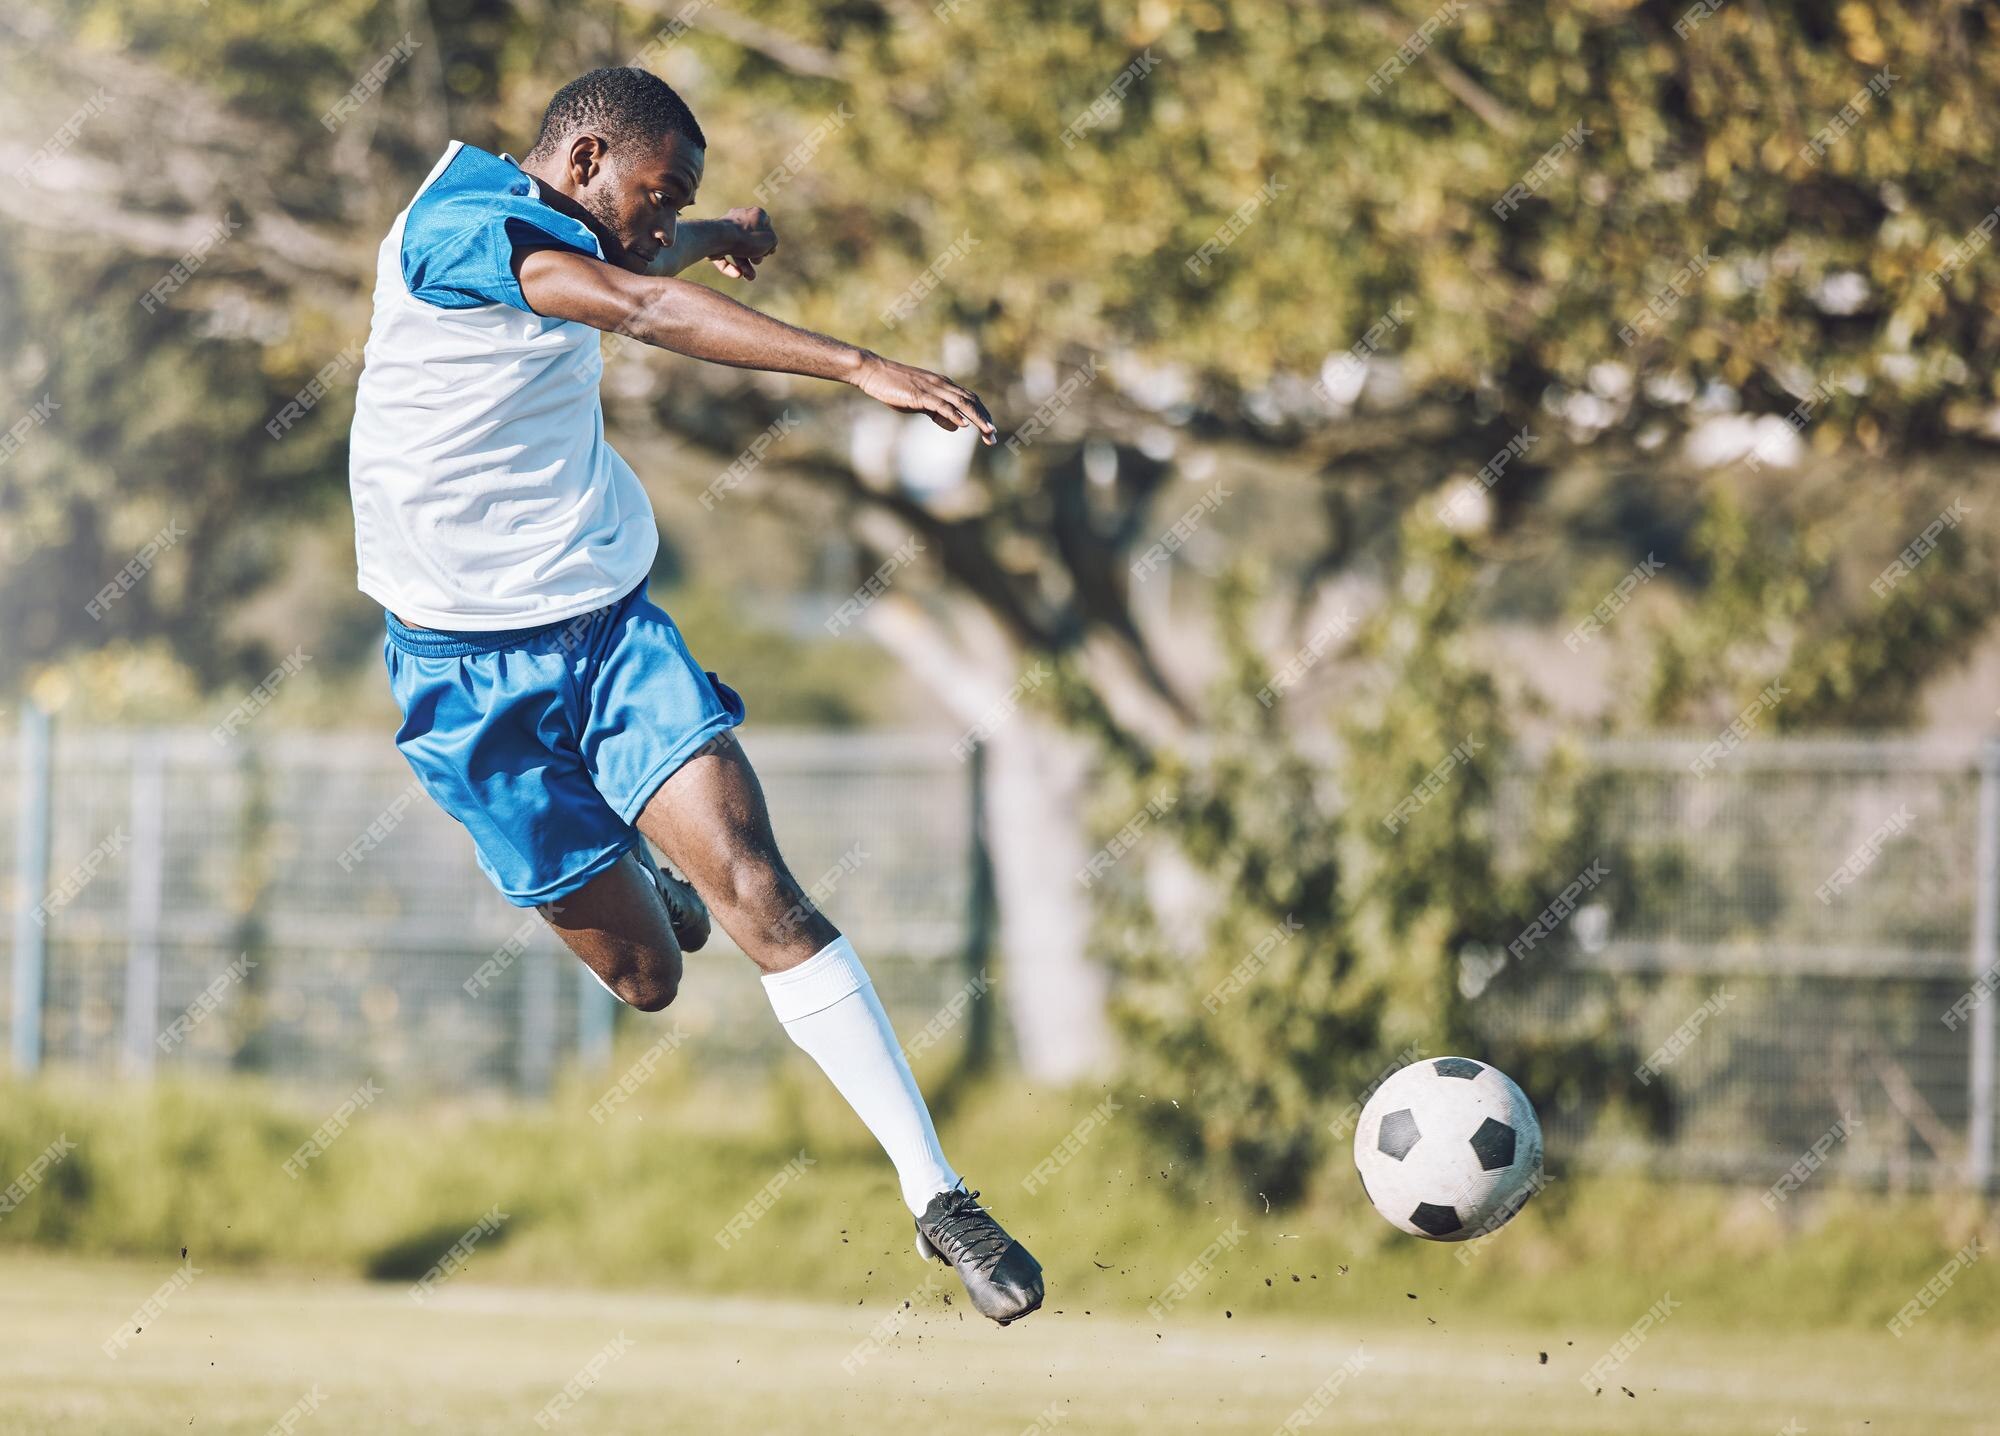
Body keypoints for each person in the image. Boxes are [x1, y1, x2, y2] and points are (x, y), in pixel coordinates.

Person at [346, 65, 1041, 1325]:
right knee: (651, 976)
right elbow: (628, 298)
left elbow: (630, 255)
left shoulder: (570, 216)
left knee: (762, 887)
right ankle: (638, 861)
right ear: (587, 157)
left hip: (606, 630)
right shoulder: (461, 234)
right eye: (656, 198)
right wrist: (858, 365)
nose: (661, 225)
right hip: (460, 678)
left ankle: (938, 1195)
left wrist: (719, 235)